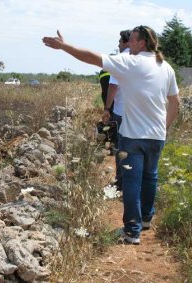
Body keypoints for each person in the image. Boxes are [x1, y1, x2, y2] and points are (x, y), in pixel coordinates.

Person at [43, 26, 180, 245]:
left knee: (131, 181)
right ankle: (145, 219)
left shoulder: (130, 62)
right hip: (157, 136)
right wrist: (164, 128)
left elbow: (91, 57)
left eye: (131, 41)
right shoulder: (166, 67)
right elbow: (175, 104)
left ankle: (132, 232)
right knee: (150, 176)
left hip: (133, 135)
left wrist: (64, 46)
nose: (127, 45)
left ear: (141, 43)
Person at [103, 30, 131, 187]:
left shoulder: (119, 60)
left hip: (121, 112)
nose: (118, 44)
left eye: (120, 41)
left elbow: (113, 86)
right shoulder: (140, 59)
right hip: (138, 113)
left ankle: (121, 182)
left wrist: (107, 108)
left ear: (127, 42)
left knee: (121, 147)